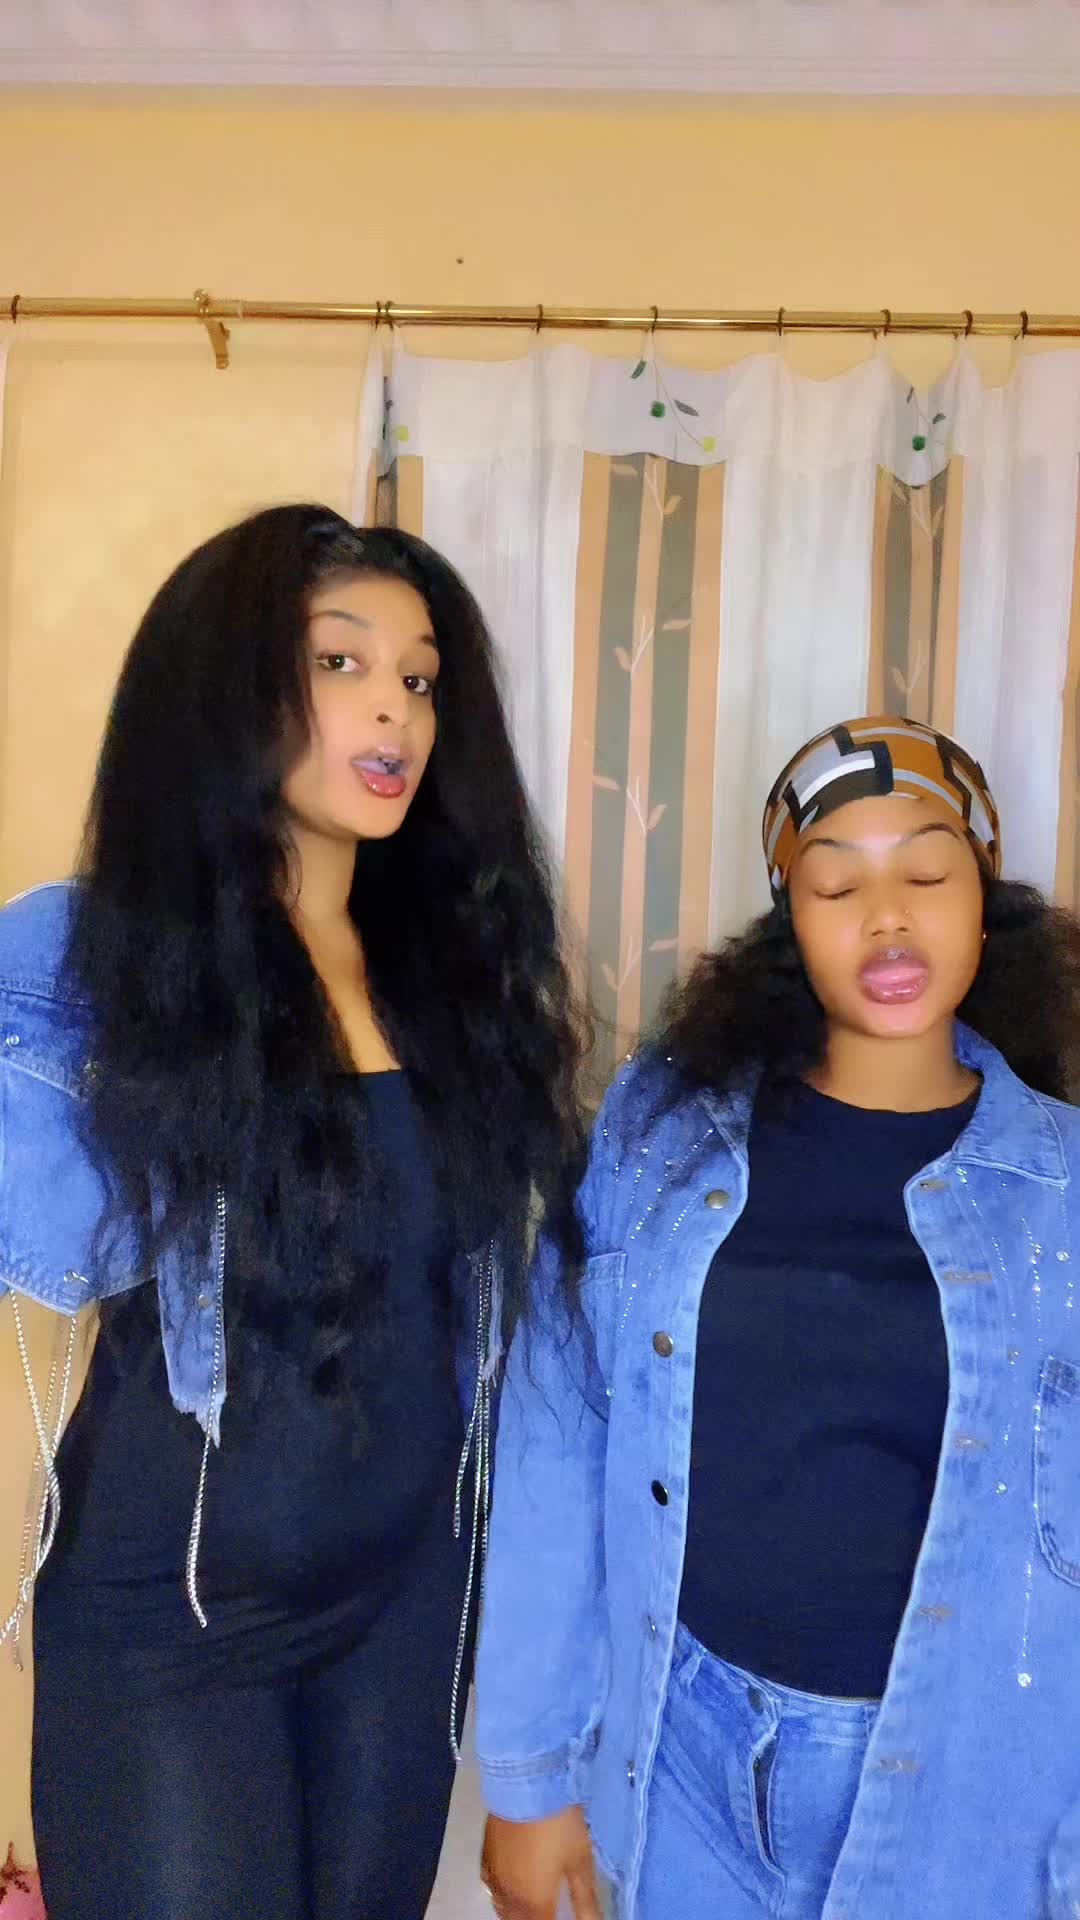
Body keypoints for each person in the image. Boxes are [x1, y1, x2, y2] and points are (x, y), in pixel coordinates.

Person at [0, 504, 586, 1920]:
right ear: (227, 687)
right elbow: (44, 1272)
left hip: (403, 1608)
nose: (395, 709)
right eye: (340, 662)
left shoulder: (453, 976)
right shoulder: (87, 955)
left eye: (420, 677)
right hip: (173, 1621)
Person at [476, 715, 1080, 1920]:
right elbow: (560, 1427)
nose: (887, 918)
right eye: (836, 885)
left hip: (970, 1797)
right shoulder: (663, 1129)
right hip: (685, 1762)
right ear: (789, 922)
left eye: (928, 873)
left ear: (984, 902)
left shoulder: (1062, 1186)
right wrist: (530, 1778)